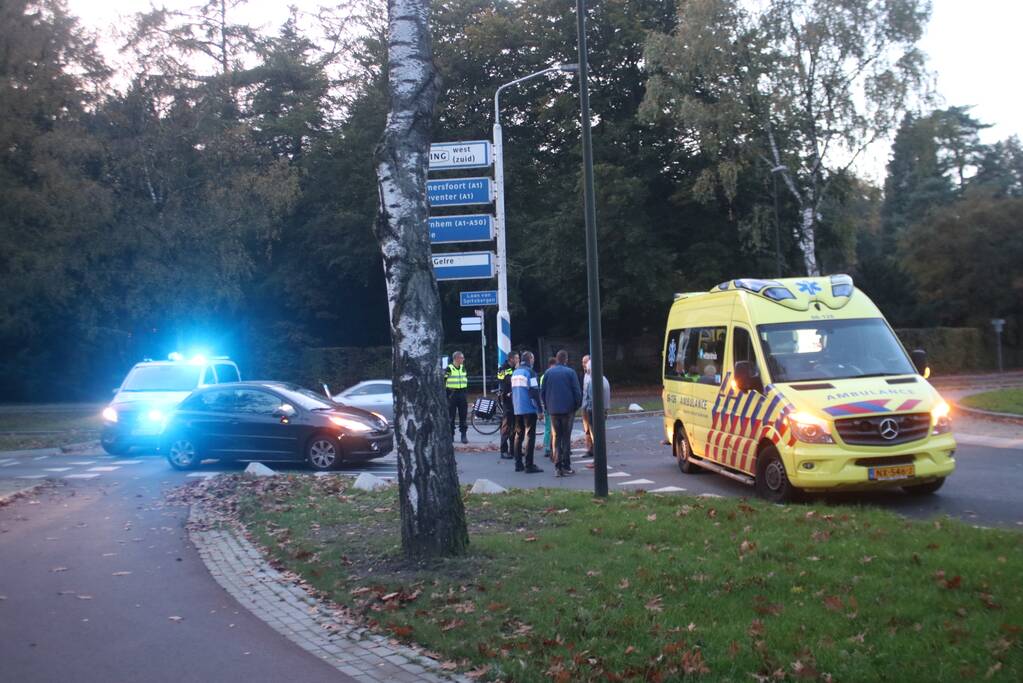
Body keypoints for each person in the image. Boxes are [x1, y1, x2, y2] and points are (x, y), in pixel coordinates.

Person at [541, 349, 582, 477]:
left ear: (556, 359)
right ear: (566, 359)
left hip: (553, 410)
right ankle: (566, 465)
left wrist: (547, 406)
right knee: (566, 437)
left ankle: (557, 466)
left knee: (557, 437)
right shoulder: (570, 372)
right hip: (567, 410)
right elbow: (577, 391)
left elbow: (543, 392)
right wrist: (576, 406)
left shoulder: (548, 373)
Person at [511, 351, 544, 473]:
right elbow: (534, 392)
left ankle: (518, 464)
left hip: (517, 408)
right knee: (530, 436)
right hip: (529, 408)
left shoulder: (515, 372)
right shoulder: (530, 372)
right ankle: (529, 465)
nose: (534, 361)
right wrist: (539, 410)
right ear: (530, 359)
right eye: (533, 358)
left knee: (518, 436)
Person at [582, 368, 610, 469]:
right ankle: (600, 459)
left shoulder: (593, 382)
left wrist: (586, 409)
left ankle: (597, 461)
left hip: (595, 411)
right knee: (600, 437)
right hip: (603, 410)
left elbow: (590, 398)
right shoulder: (604, 379)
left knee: (596, 437)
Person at [495, 351, 519, 460]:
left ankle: (513, 450)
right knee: (506, 426)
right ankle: (503, 450)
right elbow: (505, 380)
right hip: (507, 399)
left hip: (515, 399)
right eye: (516, 358)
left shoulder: (515, 368)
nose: (518, 360)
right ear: (511, 359)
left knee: (515, 425)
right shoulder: (503, 368)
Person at [445, 351, 469, 443]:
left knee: (463, 415)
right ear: (456, 359)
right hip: (452, 394)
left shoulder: (463, 368)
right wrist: (446, 394)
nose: (463, 359)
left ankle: (464, 435)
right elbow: (444, 380)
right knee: (451, 416)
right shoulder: (449, 368)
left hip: (462, 394)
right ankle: (451, 435)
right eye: (462, 358)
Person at [540, 356, 556, 461]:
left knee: (547, 427)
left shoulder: (543, 376)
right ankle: (548, 448)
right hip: (550, 404)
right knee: (550, 428)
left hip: (546, 404)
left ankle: (547, 447)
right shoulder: (549, 375)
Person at [580, 354, 592, 458]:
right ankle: (589, 449)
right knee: (586, 429)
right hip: (584, 405)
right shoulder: (585, 375)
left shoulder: (592, 374)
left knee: (592, 428)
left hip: (589, 406)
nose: (583, 364)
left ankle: (594, 449)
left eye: (585, 362)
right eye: (583, 362)